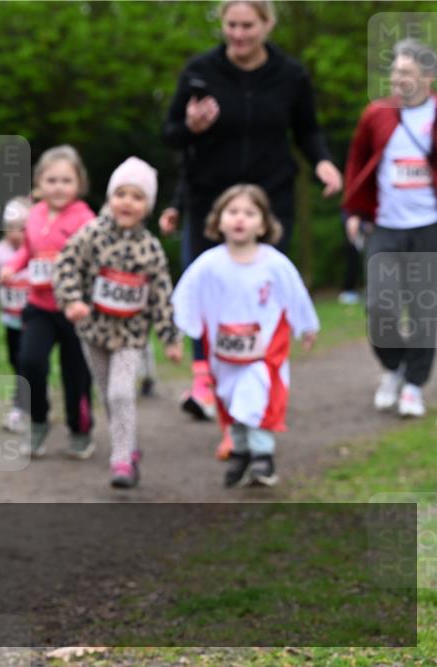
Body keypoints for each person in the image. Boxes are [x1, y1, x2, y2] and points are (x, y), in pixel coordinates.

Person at [162, 0, 341, 426]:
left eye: (248, 26)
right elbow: (170, 135)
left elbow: (307, 131)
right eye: (231, 25)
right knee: (210, 292)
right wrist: (191, 126)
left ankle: (261, 377)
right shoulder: (200, 71)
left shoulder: (291, 75)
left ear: (268, 25)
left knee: (263, 291)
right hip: (210, 202)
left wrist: (323, 162)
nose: (239, 35)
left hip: (269, 201)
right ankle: (206, 380)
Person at [172, 184, 319, 487]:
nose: (240, 219)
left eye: (250, 213)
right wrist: (176, 331)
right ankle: (240, 449)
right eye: (233, 212)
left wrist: (306, 325)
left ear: (263, 224)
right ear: (219, 220)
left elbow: (296, 294)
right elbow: (185, 296)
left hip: (263, 352)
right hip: (223, 351)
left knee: (257, 395)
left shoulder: (275, 264)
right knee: (228, 398)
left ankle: (263, 456)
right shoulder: (209, 263)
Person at [55, 157, 182, 486]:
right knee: (108, 394)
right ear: (110, 197)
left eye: (137, 196)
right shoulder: (92, 235)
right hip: (93, 331)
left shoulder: (150, 248)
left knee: (121, 393)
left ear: (148, 206)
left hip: (131, 336)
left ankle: (122, 459)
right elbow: (66, 264)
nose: (127, 202)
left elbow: (161, 294)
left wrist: (170, 337)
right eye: (121, 193)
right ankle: (128, 446)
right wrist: (72, 300)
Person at [343, 38, 437, 418]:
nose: (398, 78)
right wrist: (353, 209)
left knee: (423, 309)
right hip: (385, 225)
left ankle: (414, 385)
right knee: (380, 306)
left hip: (430, 225)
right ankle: (393, 368)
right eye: (395, 71)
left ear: (427, 77)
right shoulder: (376, 114)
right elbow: (358, 161)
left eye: (407, 72)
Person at [0, 145, 95, 458]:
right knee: (29, 362)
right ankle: (38, 421)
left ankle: (80, 430)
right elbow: (29, 250)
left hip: (75, 311)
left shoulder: (85, 218)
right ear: (39, 182)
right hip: (39, 306)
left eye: (66, 180)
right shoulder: (35, 214)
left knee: (75, 375)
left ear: (79, 183)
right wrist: (13, 265)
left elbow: (95, 261)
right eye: (51, 180)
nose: (58, 187)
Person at [0, 196, 32, 432]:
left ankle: (22, 407)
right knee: (14, 361)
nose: (15, 234)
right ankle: (30, 402)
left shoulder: (35, 251)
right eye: (10, 228)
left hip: (35, 320)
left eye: (21, 228)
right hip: (11, 321)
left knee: (27, 362)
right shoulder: (0, 252)